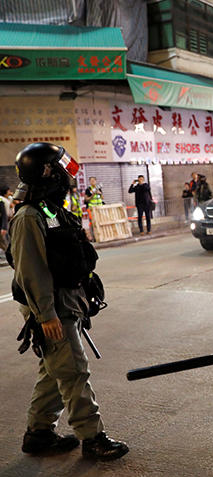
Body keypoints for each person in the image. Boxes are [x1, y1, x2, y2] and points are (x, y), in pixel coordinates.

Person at [9, 143, 128, 460]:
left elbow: (70, 256)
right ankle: (92, 437)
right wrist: (46, 314)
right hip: (52, 310)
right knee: (73, 371)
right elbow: (31, 271)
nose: (67, 178)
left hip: (67, 305)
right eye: (62, 170)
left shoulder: (49, 210)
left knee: (55, 372)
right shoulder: (28, 218)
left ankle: (39, 434)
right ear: (48, 173)